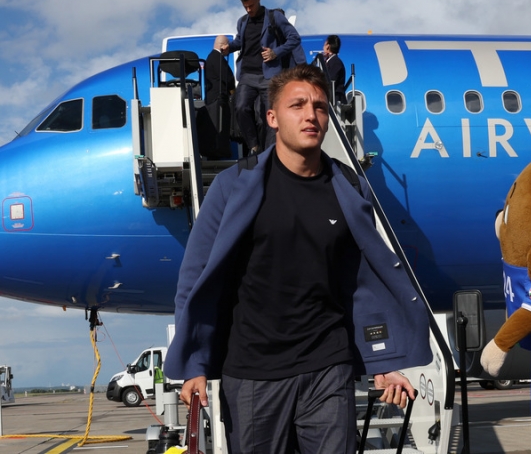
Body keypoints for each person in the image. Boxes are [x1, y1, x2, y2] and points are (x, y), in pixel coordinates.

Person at [164, 64, 432, 454]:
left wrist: (384, 361)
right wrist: (194, 364)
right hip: (254, 372)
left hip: (328, 364)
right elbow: (195, 277)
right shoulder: (233, 186)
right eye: (298, 105)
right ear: (272, 118)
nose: (311, 115)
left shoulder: (349, 186)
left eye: (320, 107)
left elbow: (362, 281)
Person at [221, 0, 304, 155]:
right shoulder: (242, 21)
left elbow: (294, 38)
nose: (249, 10)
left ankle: (269, 154)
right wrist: (229, 47)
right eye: (245, 7)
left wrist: (276, 53)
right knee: (241, 107)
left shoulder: (274, 17)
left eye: (251, 5)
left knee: (270, 117)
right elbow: (240, 42)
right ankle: (254, 146)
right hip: (247, 75)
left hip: (269, 76)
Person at [197, 35, 236, 159]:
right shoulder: (217, 58)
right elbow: (228, 78)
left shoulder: (211, 57)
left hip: (213, 98)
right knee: (220, 127)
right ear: (223, 46)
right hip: (219, 99)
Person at [323, 34, 347, 104]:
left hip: (336, 100)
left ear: (328, 46)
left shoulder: (335, 62)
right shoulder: (330, 61)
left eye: (324, 44)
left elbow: (330, 81)